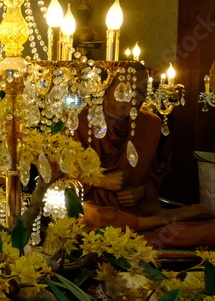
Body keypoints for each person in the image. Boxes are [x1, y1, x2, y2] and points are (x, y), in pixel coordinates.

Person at [78, 66, 215, 248]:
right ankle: (162, 221)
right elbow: (59, 180)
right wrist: (98, 180)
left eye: (142, 91)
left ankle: (141, 235)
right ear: (104, 91)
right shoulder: (78, 121)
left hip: (138, 212)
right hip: (97, 215)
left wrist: (141, 191)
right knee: (90, 217)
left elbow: (152, 178)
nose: (135, 99)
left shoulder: (150, 123)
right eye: (126, 91)